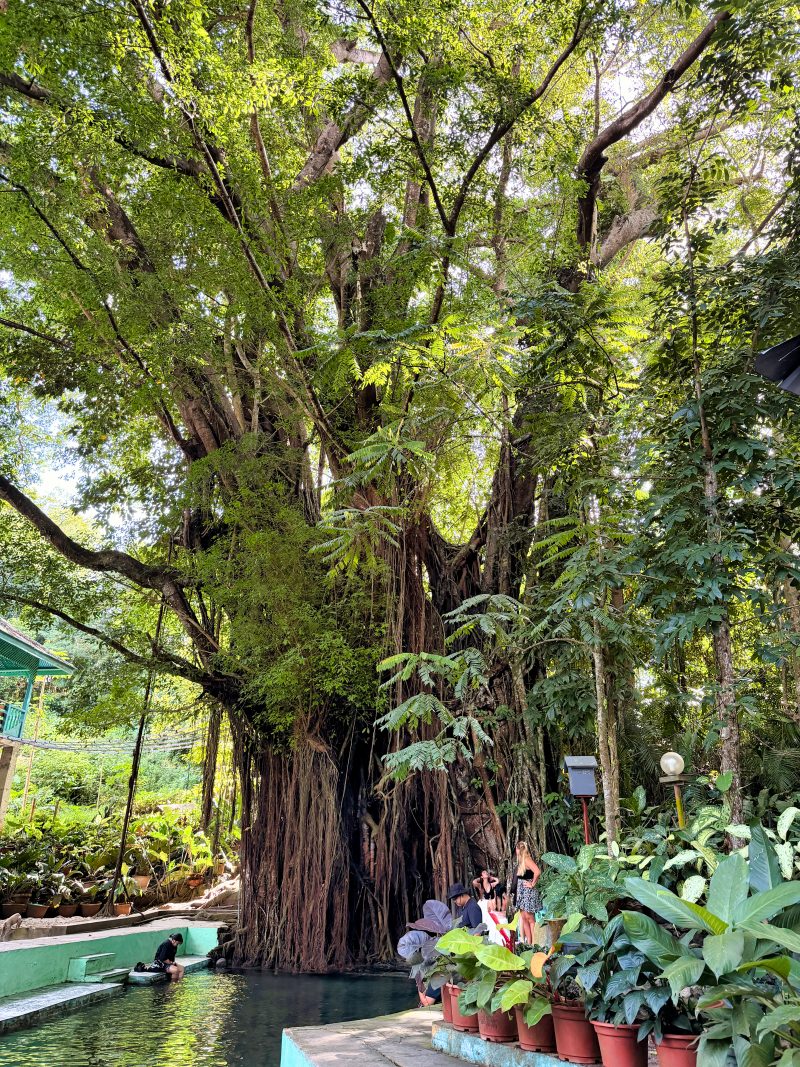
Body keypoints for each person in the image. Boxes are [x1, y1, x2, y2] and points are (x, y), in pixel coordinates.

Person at [512, 841, 541, 946]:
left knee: (530, 918)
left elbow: (537, 871)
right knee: (523, 917)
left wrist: (532, 884)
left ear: (518, 849)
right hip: (522, 892)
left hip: (528, 892)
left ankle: (534, 943)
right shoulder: (521, 861)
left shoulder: (527, 860)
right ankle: (528, 943)